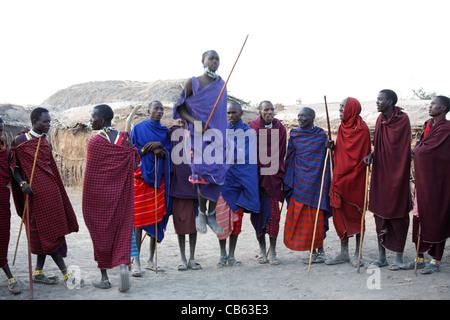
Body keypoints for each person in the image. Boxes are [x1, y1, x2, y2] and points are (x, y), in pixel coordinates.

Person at [9, 107, 79, 286]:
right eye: (44, 121)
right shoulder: (20, 141)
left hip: (51, 195)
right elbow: (14, 168)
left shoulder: (45, 143)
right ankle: (66, 274)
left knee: (51, 234)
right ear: (34, 122)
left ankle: (39, 273)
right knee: (44, 235)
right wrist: (22, 183)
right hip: (33, 196)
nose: (48, 125)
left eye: (49, 121)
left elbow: (51, 170)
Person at [82, 104, 140, 291]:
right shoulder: (125, 139)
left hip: (99, 199)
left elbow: (92, 176)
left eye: (92, 117)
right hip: (123, 196)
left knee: (101, 232)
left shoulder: (95, 143)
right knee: (123, 230)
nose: (90, 121)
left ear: (101, 119)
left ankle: (105, 277)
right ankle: (123, 265)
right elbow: (133, 167)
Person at [173, 50, 228, 235]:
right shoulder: (193, 82)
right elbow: (180, 107)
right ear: (202, 61)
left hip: (217, 135)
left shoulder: (222, 84)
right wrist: (195, 123)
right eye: (211, 58)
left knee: (219, 173)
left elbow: (220, 113)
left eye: (217, 59)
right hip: (197, 135)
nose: (214, 61)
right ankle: (201, 214)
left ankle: (211, 214)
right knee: (201, 172)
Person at [364, 89, 412, 270]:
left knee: (399, 215)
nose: (377, 102)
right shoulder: (379, 120)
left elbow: (402, 148)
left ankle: (398, 258)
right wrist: (372, 155)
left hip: (398, 174)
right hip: (381, 173)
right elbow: (379, 145)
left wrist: (399, 172)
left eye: (380, 99)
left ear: (390, 101)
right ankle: (381, 257)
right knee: (379, 213)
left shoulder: (403, 119)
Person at [401, 96, 450, 274]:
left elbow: (430, 152)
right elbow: (421, 147)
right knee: (419, 217)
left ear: (443, 108)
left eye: (433, 104)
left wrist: (418, 150)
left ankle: (435, 261)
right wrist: (419, 149)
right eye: (429, 104)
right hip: (423, 183)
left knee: (436, 219)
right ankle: (419, 257)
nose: (430, 107)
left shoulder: (446, 129)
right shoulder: (428, 125)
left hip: (438, 184)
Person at [324, 98, 371, 267]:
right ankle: (344, 252)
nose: (340, 109)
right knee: (340, 212)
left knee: (357, 214)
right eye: (340, 106)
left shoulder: (362, 128)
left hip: (357, 177)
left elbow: (364, 153)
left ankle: (358, 254)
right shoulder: (341, 128)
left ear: (352, 109)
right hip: (340, 176)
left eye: (343, 107)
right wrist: (332, 146)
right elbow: (342, 151)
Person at [283, 107, 332, 263]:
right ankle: (312, 252)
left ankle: (321, 252)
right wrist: (289, 179)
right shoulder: (295, 135)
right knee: (304, 218)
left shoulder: (320, 135)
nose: (300, 118)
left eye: (304, 116)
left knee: (317, 218)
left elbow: (325, 159)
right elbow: (290, 158)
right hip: (300, 183)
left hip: (316, 183)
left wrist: (331, 147)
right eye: (299, 116)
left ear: (312, 118)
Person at [216, 102, 260, 266]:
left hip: (240, 180)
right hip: (223, 182)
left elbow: (248, 159)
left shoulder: (248, 133)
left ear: (241, 113)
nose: (230, 116)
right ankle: (222, 254)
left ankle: (232, 255)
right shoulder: (221, 131)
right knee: (221, 220)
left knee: (236, 221)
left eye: (233, 113)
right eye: (228, 113)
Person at [130, 101, 171, 276]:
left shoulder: (165, 132)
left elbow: (169, 151)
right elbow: (131, 151)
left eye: (162, 109)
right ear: (148, 111)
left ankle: (150, 260)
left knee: (156, 220)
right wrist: (147, 149)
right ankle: (136, 261)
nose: (159, 111)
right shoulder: (138, 129)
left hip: (158, 181)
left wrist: (161, 148)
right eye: (156, 108)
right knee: (138, 223)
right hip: (140, 180)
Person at [249, 101, 286, 265]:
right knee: (258, 218)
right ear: (260, 111)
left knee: (274, 218)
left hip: (273, 178)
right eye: (266, 109)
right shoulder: (252, 128)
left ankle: (273, 251)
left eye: (272, 109)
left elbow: (281, 152)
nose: (269, 112)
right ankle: (262, 250)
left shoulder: (281, 128)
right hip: (255, 179)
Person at [169, 119, 201, 271]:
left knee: (194, 226)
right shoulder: (172, 133)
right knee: (180, 225)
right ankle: (182, 258)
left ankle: (192, 258)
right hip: (179, 188)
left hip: (196, 189)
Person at [0, 118, 21, 294]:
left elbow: (10, 172)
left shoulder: (4, 149)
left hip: (1, 200)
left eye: (0, 131)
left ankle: (7, 271)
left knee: (2, 236)